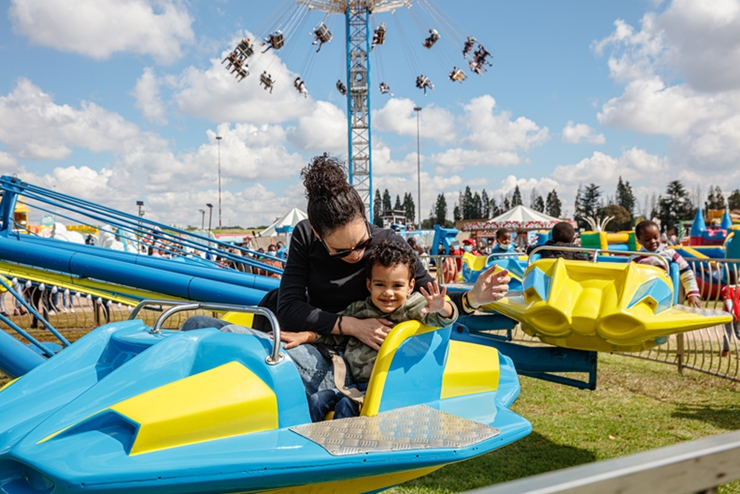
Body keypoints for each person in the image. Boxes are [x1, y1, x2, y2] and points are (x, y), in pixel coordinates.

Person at [181, 153, 510, 399]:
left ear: (365, 219)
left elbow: (432, 300)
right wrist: (352, 325)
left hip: (334, 358)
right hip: (306, 337)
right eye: (341, 252)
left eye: (361, 244)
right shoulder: (305, 236)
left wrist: (472, 299)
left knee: (279, 358)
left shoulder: (388, 245)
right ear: (319, 236)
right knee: (195, 326)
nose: (356, 256)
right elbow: (290, 308)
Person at [281, 240, 458, 421]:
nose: (388, 293)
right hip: (353, 385)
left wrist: (442, 308)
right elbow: (336, 334)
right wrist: (309, 335)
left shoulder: (413, 307)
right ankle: (309, 444)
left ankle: (347, 447)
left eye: (397, 286)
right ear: (369, 285)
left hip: (387, 388)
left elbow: (441, 320)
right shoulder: (359, 310)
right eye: (380, 285)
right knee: (317, 400)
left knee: (344, 406)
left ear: (410, 286)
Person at [632, 220, 701, 308]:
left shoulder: (669, 253)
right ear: (639, 241)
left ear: (660, 236)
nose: (652, 241)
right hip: (642, 299)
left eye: (655, 237)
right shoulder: (635, 259)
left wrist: (692, 293)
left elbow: (686, 271)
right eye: (647, 239)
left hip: (664, 298)